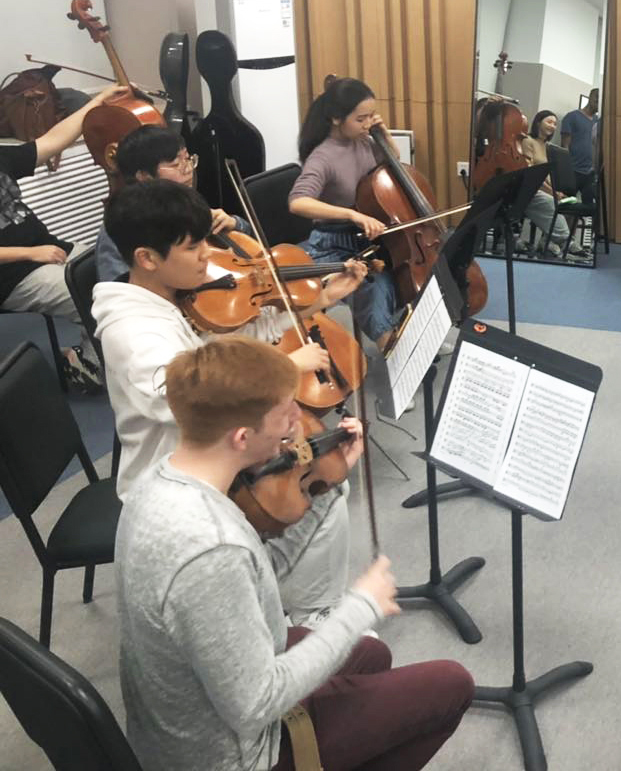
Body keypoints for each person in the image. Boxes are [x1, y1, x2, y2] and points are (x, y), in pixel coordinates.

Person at [116, 335, 474, 770]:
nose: (295, 424)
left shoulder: (159, 480)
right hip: (234, 755)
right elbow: (256, 704)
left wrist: (326, 479)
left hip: (205, 701)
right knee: (451, 684)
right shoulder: (210, 549)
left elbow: (259, 579)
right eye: (286, 413)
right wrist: (360, 606)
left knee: (371, 655)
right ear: (242, 437)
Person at [94, 179, 366, 625]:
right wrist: (283, 367)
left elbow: (230, 340)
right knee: (325, 490)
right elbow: (194, 398)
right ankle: (304, 616)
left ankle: (300, 607)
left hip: (210, 451)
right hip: (171, 479)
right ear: (147, 259)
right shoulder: (132, 331)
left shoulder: (171, 299)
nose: (208, 255)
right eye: (193, 247)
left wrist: (318, 300)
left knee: (328, 473)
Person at [0, 83, 128, 389]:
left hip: (49, 250)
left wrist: (95, 104)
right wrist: (30, 253)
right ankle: (87, 365)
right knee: (97, 292)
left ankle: (102, 353)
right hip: (12, 275)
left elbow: (51, 142)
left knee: (122, 268)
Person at [287, 77, 403, 348]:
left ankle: (405, 330)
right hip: (332, 241)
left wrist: (383, 134)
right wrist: (351, 215)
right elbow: (297, 202)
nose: (367, 124)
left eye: (371, 116)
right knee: (373, 284)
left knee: (401, 270)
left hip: (364, 237)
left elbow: (393, 165)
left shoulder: (362, 141)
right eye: (361, 119)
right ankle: (391, 346)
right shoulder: (323, 156)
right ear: (337, 118)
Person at [94, 124, 247, 282]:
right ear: (144, 176)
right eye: (175, 164)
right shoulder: (122, 226)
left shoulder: (184, 203)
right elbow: (118, 288)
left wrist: (235, 223)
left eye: (188, 159)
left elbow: (250, 243)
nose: (188, 169)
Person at [519, 108, 586, 258]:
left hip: (547, 188)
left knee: (571, 203)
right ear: (538, 122)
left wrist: (556, 191)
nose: (552, 126)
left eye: (555, 124)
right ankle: (566, 241)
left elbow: (549, 176)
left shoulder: (548, 147)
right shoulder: (528, 141)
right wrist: (552, 192)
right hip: (531, 189)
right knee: (551, 202)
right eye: (549, 122)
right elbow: (531, 173)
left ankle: (546, 241)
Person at [560, 88, 600, 212]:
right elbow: (564, 146)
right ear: (591, 97)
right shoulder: (572, 117)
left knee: (586, 209)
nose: (598, 103)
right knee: (569, 206)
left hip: (590, 172)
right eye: (596, 99)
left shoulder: (598, 121)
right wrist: (566, 169)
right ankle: (566, 232)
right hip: (573, 170)